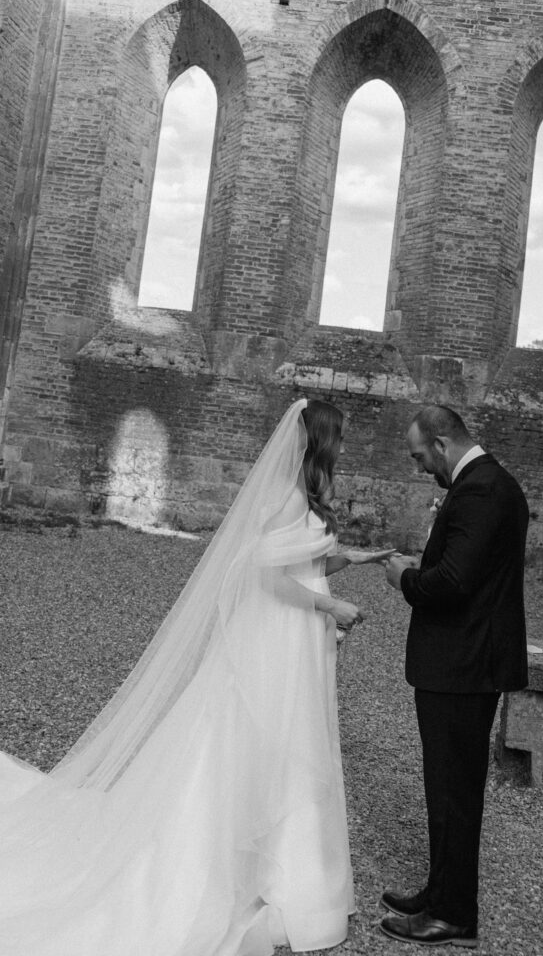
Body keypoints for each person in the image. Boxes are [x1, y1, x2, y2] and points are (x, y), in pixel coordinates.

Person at [0, 398, 393, 956]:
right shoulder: (284, 496)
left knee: (291, 741)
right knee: (258, 738)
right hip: (279, 635)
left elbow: (302, 562)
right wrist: (333, 610)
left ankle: (289, 870)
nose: (346, 449)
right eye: (342, 439)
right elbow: (265, 575)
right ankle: (240, 866)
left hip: (295, 640)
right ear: (320, 441)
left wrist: (352, 558)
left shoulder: (307, 495)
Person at [381, 404, 528, 949]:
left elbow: (453, 581)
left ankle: (453, 917)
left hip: (463, 666)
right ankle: (440, 891)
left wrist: (405, 578)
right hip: (463, 662)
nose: (421, 467)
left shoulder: (482, 490)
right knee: (447, 787)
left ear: (442, 444)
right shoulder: (488, 485)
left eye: (421, 456)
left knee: (455, 792)